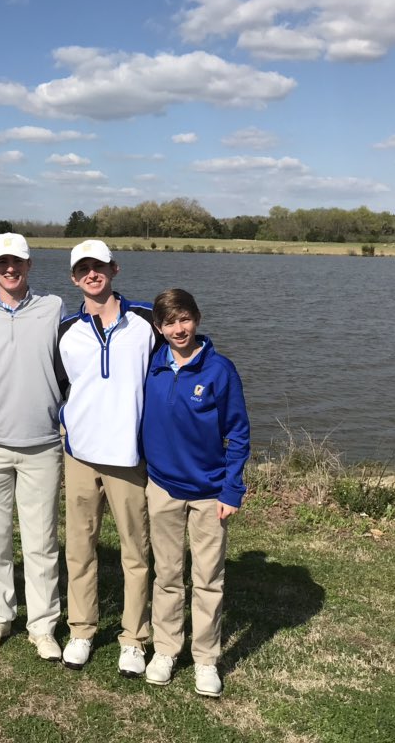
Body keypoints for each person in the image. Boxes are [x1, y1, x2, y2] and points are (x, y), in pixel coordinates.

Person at [54, 239, 158, 678]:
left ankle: (134, 639)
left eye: (99, 267)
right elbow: (63, 386)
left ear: (114, 269)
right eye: (83, 270)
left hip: (129, 457)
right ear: (74, 277)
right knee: (80, 549)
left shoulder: (146, 321)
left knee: (136, 552)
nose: (91, 275)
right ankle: (82, 629)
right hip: (80, 455)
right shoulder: (65, 330)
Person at [140, 288, 250, 697]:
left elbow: (238, 434)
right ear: (159, 328)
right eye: (169, 322)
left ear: (197, 319)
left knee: (208, 578)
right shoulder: (153, 365)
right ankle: (167, 649)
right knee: (167, 574)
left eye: (184, 319)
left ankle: (206, 658)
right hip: (163, 487)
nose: (178, 329)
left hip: (208, 493)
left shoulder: (220, 370)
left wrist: (231, 490)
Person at [0, 232, 64, 662]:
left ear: (29, 266)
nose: (11, 269)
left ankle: (43, 624)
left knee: (41, 539)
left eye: (18, 262)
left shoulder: (54, 308)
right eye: (3, 263)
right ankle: (0, 614)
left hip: (42, 444)